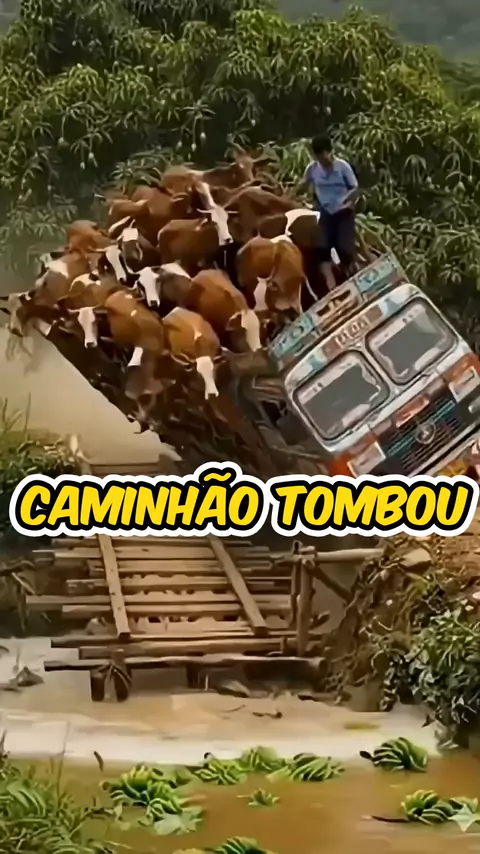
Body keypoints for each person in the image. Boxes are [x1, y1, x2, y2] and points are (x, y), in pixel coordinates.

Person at [302, 135, 359, 291]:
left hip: (343, 211)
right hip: (324, 211)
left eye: (326, 154)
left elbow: (354, 188)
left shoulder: (342, 167)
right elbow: (303, 184)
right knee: (321, 249)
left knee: (344, 248)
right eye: (320, 156)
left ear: (331, 151)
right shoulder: (313, 169)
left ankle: (353, 273)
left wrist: (344, 200)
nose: (325, 159)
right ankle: (331, 286)